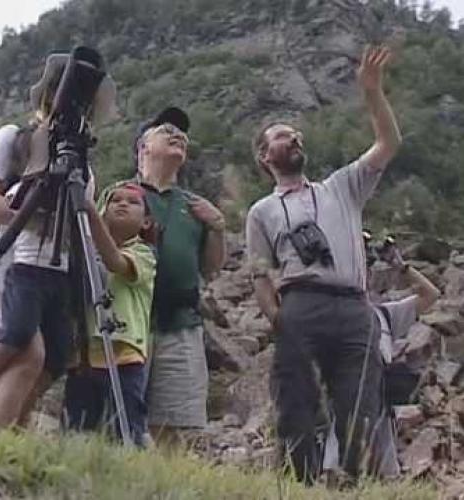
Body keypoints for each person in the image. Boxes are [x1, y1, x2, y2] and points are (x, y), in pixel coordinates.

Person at [246, 45, 402, 482]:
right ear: (265, 156)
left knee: (359, 405)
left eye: (297, 134)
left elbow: (389, 143)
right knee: (296, 401)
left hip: (354, 306)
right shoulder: (262, 211)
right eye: (282, 135)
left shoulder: (341, 187)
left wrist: (372, 93)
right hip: (300, 304)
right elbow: (259, 271)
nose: (294, 138)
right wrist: (277, 317)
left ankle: (351, 484)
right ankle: (302, 484)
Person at [0, 50, 117, 430]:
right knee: (27, 353)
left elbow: (81, 224)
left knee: (52, 360)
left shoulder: (80, 163)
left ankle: (5, 433)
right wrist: (30, 219)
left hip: (52, 270)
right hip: (2, 265)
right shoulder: (15, 138)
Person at [107, 106, 226, 447]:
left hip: (182, 324)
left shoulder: (195, 206)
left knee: (172, 429)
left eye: (182, 134)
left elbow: (211, 268)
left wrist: (217, 227)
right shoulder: (121, 195)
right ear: (142, 148)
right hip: (128, 322)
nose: (178, 135)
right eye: (166, 130)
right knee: (118, 419)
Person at [323, 233, 440, 478]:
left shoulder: (384, 315)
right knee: (337, 475)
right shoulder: (332, 314)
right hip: (345, 406)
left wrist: (400, 265)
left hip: (381, 409)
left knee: (385, 478)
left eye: (365, 270)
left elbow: (430, 295)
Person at [63, 183, 156, 447]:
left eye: (132, 202)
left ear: (146, 222)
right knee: (78, 431)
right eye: (114, 200)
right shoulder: (84, 250)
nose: (122, 204)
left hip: (124, 355)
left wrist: (88, 209)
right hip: (84, 354)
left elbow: (115, 262)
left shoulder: (143, 254)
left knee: (126, 427)